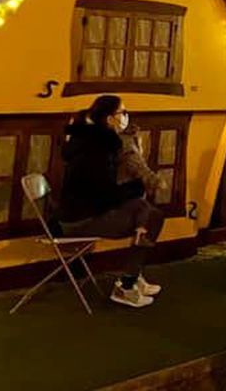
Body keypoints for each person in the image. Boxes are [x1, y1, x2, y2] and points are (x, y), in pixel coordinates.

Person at [58, 95, 164, 309]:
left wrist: (133, 192)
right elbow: (103, 196)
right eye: (122, 112)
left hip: (87, 212)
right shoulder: (96, 149)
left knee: (145, 210)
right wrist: (136, 187)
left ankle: (133, 277)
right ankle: (127, 284)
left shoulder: (91, 141)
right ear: (109, 119)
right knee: (150, 218)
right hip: (80, 221)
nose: (126, 116)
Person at [115, 116, 165, 201]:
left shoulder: (126, 139)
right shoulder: (126, 141)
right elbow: (134, 163)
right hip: (126, 191)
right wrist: (154, 180)